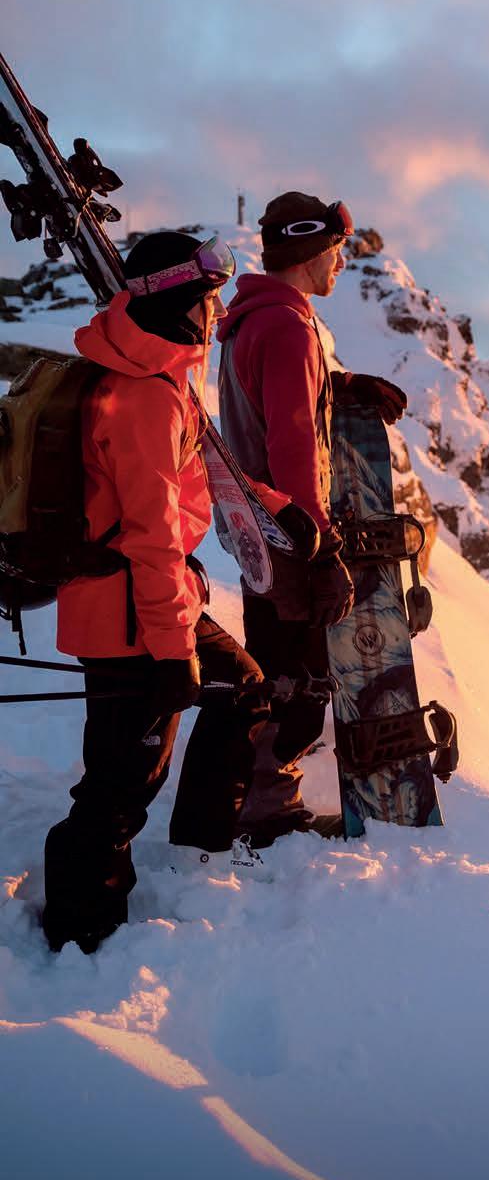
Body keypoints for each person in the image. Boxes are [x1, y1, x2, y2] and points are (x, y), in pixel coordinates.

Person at [42, 230, 285, 955]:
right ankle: (81, 930)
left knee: (241, 689)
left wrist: (282, 510)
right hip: (129, 614)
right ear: (181, 300)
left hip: (146, 602)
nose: (218, 312)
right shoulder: (142, 396)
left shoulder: (160, 374)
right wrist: (174, 652)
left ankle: (198, 852)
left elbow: (206, 467)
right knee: (121, 781)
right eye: (210, 298)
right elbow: (149, 535)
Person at [217, 193, 406, 842]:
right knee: (298, 682)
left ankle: (252, 802)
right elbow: (294, 445)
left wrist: (338, 385)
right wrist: (320, 549)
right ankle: (265, 813)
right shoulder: (289, 328)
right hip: (288, 533)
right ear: (309, 252)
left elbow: (278, 400)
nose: (341, 263)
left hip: (257, 530)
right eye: (336, 251)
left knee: (275, 665)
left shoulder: (254, 319)